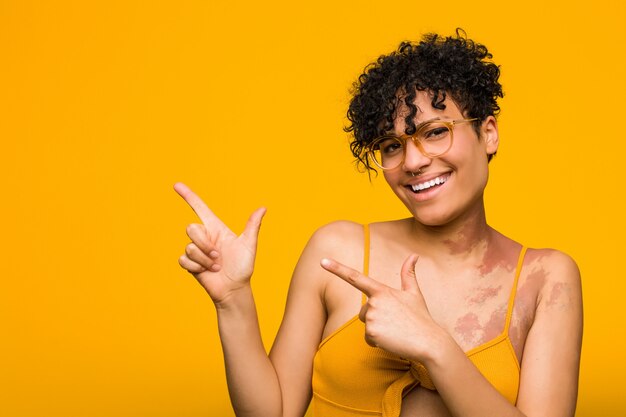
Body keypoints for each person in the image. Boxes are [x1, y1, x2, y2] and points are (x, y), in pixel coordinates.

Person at [175, 29, 583, 417]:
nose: (413, 161)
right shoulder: (336, 252)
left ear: (488, 133)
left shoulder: (546, 279)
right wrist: (233, 301)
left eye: (435, 131)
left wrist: (434, 346)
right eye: (391, 146)